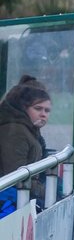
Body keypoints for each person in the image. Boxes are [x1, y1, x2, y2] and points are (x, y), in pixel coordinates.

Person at [0, 77, 53, 214]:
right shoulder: (15, 131)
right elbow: (16, 176)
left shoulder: (29, 129)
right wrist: (49, 190)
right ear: (24, 108)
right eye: (38, 109)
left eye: (47, 111)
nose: (43, 115)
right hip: (10, 202)